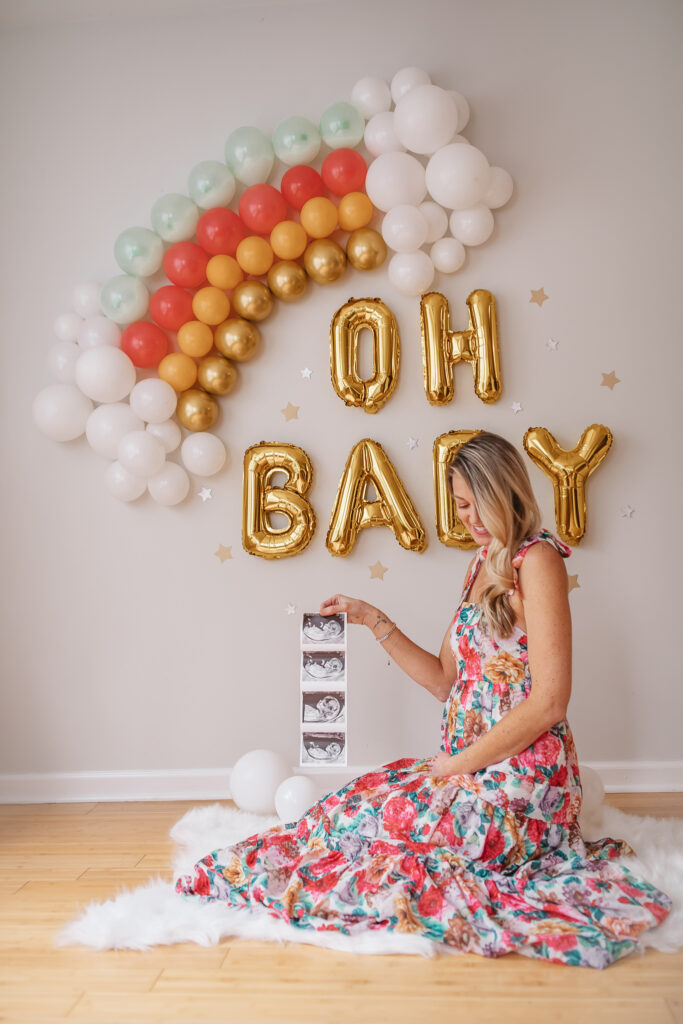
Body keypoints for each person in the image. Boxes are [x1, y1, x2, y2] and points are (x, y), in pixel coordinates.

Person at [176, 431, 670, 968]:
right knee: (357, 803)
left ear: (505, 491)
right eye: (459, 505)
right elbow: (443, 679)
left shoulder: (538, 559)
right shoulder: (482, 563)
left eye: (474, 502)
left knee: (393, 834)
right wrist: (372, 619)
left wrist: (460, 763)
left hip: (519, 780)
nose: (468, 517)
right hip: (466, 768)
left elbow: (550, 701)